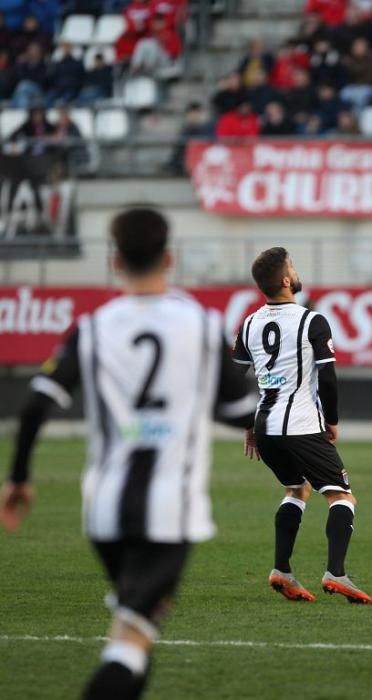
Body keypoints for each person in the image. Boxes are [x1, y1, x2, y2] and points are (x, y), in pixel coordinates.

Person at [0, 207, 258, 699]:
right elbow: (241, 409)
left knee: (136, 636)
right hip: (168, 514)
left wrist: (17, 479)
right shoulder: (202, 326)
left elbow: (34, 406)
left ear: (115, 261)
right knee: (130, 645)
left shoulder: (92, 328)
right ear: (170, 258)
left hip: (104, 510)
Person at [234, 247, 372, 605]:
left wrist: (249, 425)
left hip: (266, 428)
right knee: (342, 496)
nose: (296, 272)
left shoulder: (249, 324)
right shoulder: (312, 321)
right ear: (285, 280)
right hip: (300, 425)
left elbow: (236, 380)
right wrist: (333, 420)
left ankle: (282, 570)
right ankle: (336, 574)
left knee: (296, 489)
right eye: (292, 267)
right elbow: (327, 377)